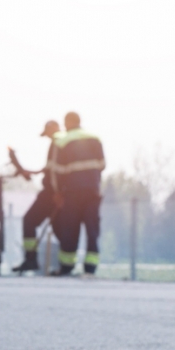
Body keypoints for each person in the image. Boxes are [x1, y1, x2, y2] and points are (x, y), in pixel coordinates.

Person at [52, 112, 105, 276]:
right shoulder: (95, 138)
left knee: (70, 229)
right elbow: (102, 165)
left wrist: (58, 192)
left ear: (67, 122)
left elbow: (57, 171)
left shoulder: (62, 141)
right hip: (92, 191)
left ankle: (67, 266)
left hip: (72, 193)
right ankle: (90, 267)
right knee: (92, 229)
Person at [9, 120, 62, 273]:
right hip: (55, 192)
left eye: (48, 133)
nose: (47, 137)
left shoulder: (57, 143)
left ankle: (31, 259)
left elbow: (54, 172)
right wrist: (30, 172)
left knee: (29, 220)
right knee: (59, 228)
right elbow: (48, 169)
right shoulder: (58, 144)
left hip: (51, 193)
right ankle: (66, 265)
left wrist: (57, 192)